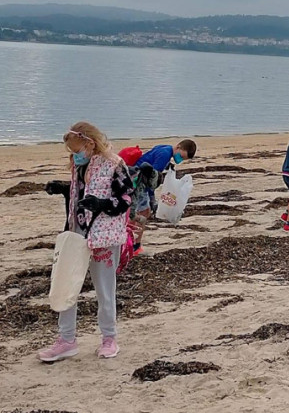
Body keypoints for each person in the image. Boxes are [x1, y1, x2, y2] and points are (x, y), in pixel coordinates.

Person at [38, 122, 133, 362]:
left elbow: (126, 198)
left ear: (90, 143)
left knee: (104, 288)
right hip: (76, 231)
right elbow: (82, 191)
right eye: (71, 152)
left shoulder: (114, 165)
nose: (74, 156)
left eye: (76, 150)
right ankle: (66, 339)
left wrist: (103, 205)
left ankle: (109, 338)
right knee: (66, 284)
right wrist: (64, 189)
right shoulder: (78, 165)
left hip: (104, 236)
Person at [130, 139, 197, 253]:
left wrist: (167, 165)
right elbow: (151, 178)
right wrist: (152, 198)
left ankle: (132, 243)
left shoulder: (165, 148)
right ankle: (134, 245)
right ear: (178, 147)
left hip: (134, 178)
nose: (179, 160)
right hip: (139, 184)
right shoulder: (165, 155)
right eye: (181, 156)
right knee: (143, 213)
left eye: (183, 159)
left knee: (136, 213)